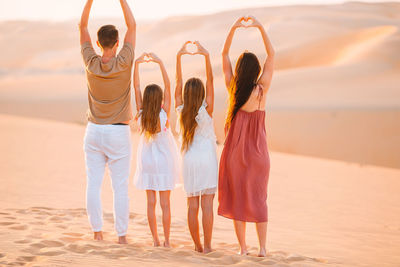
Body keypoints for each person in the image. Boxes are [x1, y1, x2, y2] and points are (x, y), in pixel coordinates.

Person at [79, 0, 136, 244]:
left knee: (93, 184)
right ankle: (121, 237)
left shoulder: (91, 62)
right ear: (117, 42)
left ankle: (97, 233)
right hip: (118, 133)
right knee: (119, 187)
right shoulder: (124, 61)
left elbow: (81, 26)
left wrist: (90, 1)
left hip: (93, 132)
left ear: (99, 43)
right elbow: (132, 25)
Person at [218, 16, 275, 257]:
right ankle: (262, 248)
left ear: (240, 70)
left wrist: (232, 29)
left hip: (236, 154)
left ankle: (243, 248)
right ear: (256, 70)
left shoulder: (233, 89)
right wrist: (261, 28)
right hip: (259, 154)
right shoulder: (262, 89)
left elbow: (223, 56)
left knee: (239, 199)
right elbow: (272, 56)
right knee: (259, 199)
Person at [133, 52, 180, 247]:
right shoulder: (164, 113)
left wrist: (137, 64)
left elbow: (135, 86)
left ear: (146, 99)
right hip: (164, 161)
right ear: (160, 98)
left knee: (150, 204)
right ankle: (167, 241)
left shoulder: (142, 114)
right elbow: (169, 85)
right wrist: (160, 62)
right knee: (165, 204)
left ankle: (155, 240)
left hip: (147, 161)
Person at [175, 41, 218, 253]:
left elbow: (177, 82)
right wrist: (206, 55)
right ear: (201, 94)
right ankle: (208, 246)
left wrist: (179, 56)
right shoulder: (207, 109)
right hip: (207, 160)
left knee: (192, 206)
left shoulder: (181, 110)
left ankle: (197, 245)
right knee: (207, 205)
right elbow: (210, 80)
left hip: (190, 160)